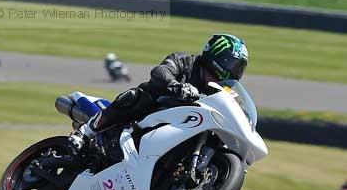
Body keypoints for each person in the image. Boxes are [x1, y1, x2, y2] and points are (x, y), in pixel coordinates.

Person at [68, 33, 249, 153]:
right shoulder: (185, 61)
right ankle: (85, 132)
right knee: (136, 97)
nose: (234, 71)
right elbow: (161, 72)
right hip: (152, 112)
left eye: (239, 68)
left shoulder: (224, 90)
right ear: (217, 56)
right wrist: (176, 86)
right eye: (232, 64)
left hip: (185, 126)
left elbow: (238, 110)